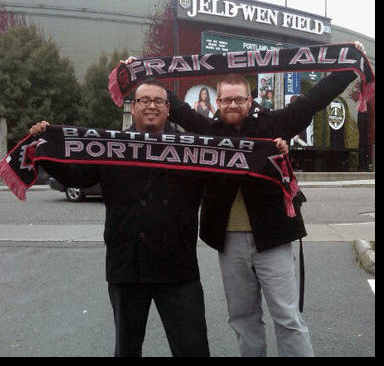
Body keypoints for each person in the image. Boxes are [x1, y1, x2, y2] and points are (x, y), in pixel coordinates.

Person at [123, 41, 366, 357]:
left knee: (288, 318)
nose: (233, 105)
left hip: (275, 238)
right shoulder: (207, 131)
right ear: (217, 103)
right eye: (226, 100)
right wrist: (140, 72)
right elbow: (176, 106)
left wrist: (349, 66)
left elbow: (314, 99)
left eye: (239, 99)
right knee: (243, 319)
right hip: (229, 241)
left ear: (250, 100)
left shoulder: (276, 125)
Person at [29, 79, 291, 357]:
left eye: (158, 101)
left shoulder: (194, 149)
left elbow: (233, 166)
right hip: (126, 265)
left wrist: (271, 153)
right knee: (127, 349)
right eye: (144, 100)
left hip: (177, 268)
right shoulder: (109, 146)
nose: (151, 106)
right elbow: (78, 177)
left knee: (193, 349)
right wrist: (45, 150)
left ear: (169, 109)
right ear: (133, 107)